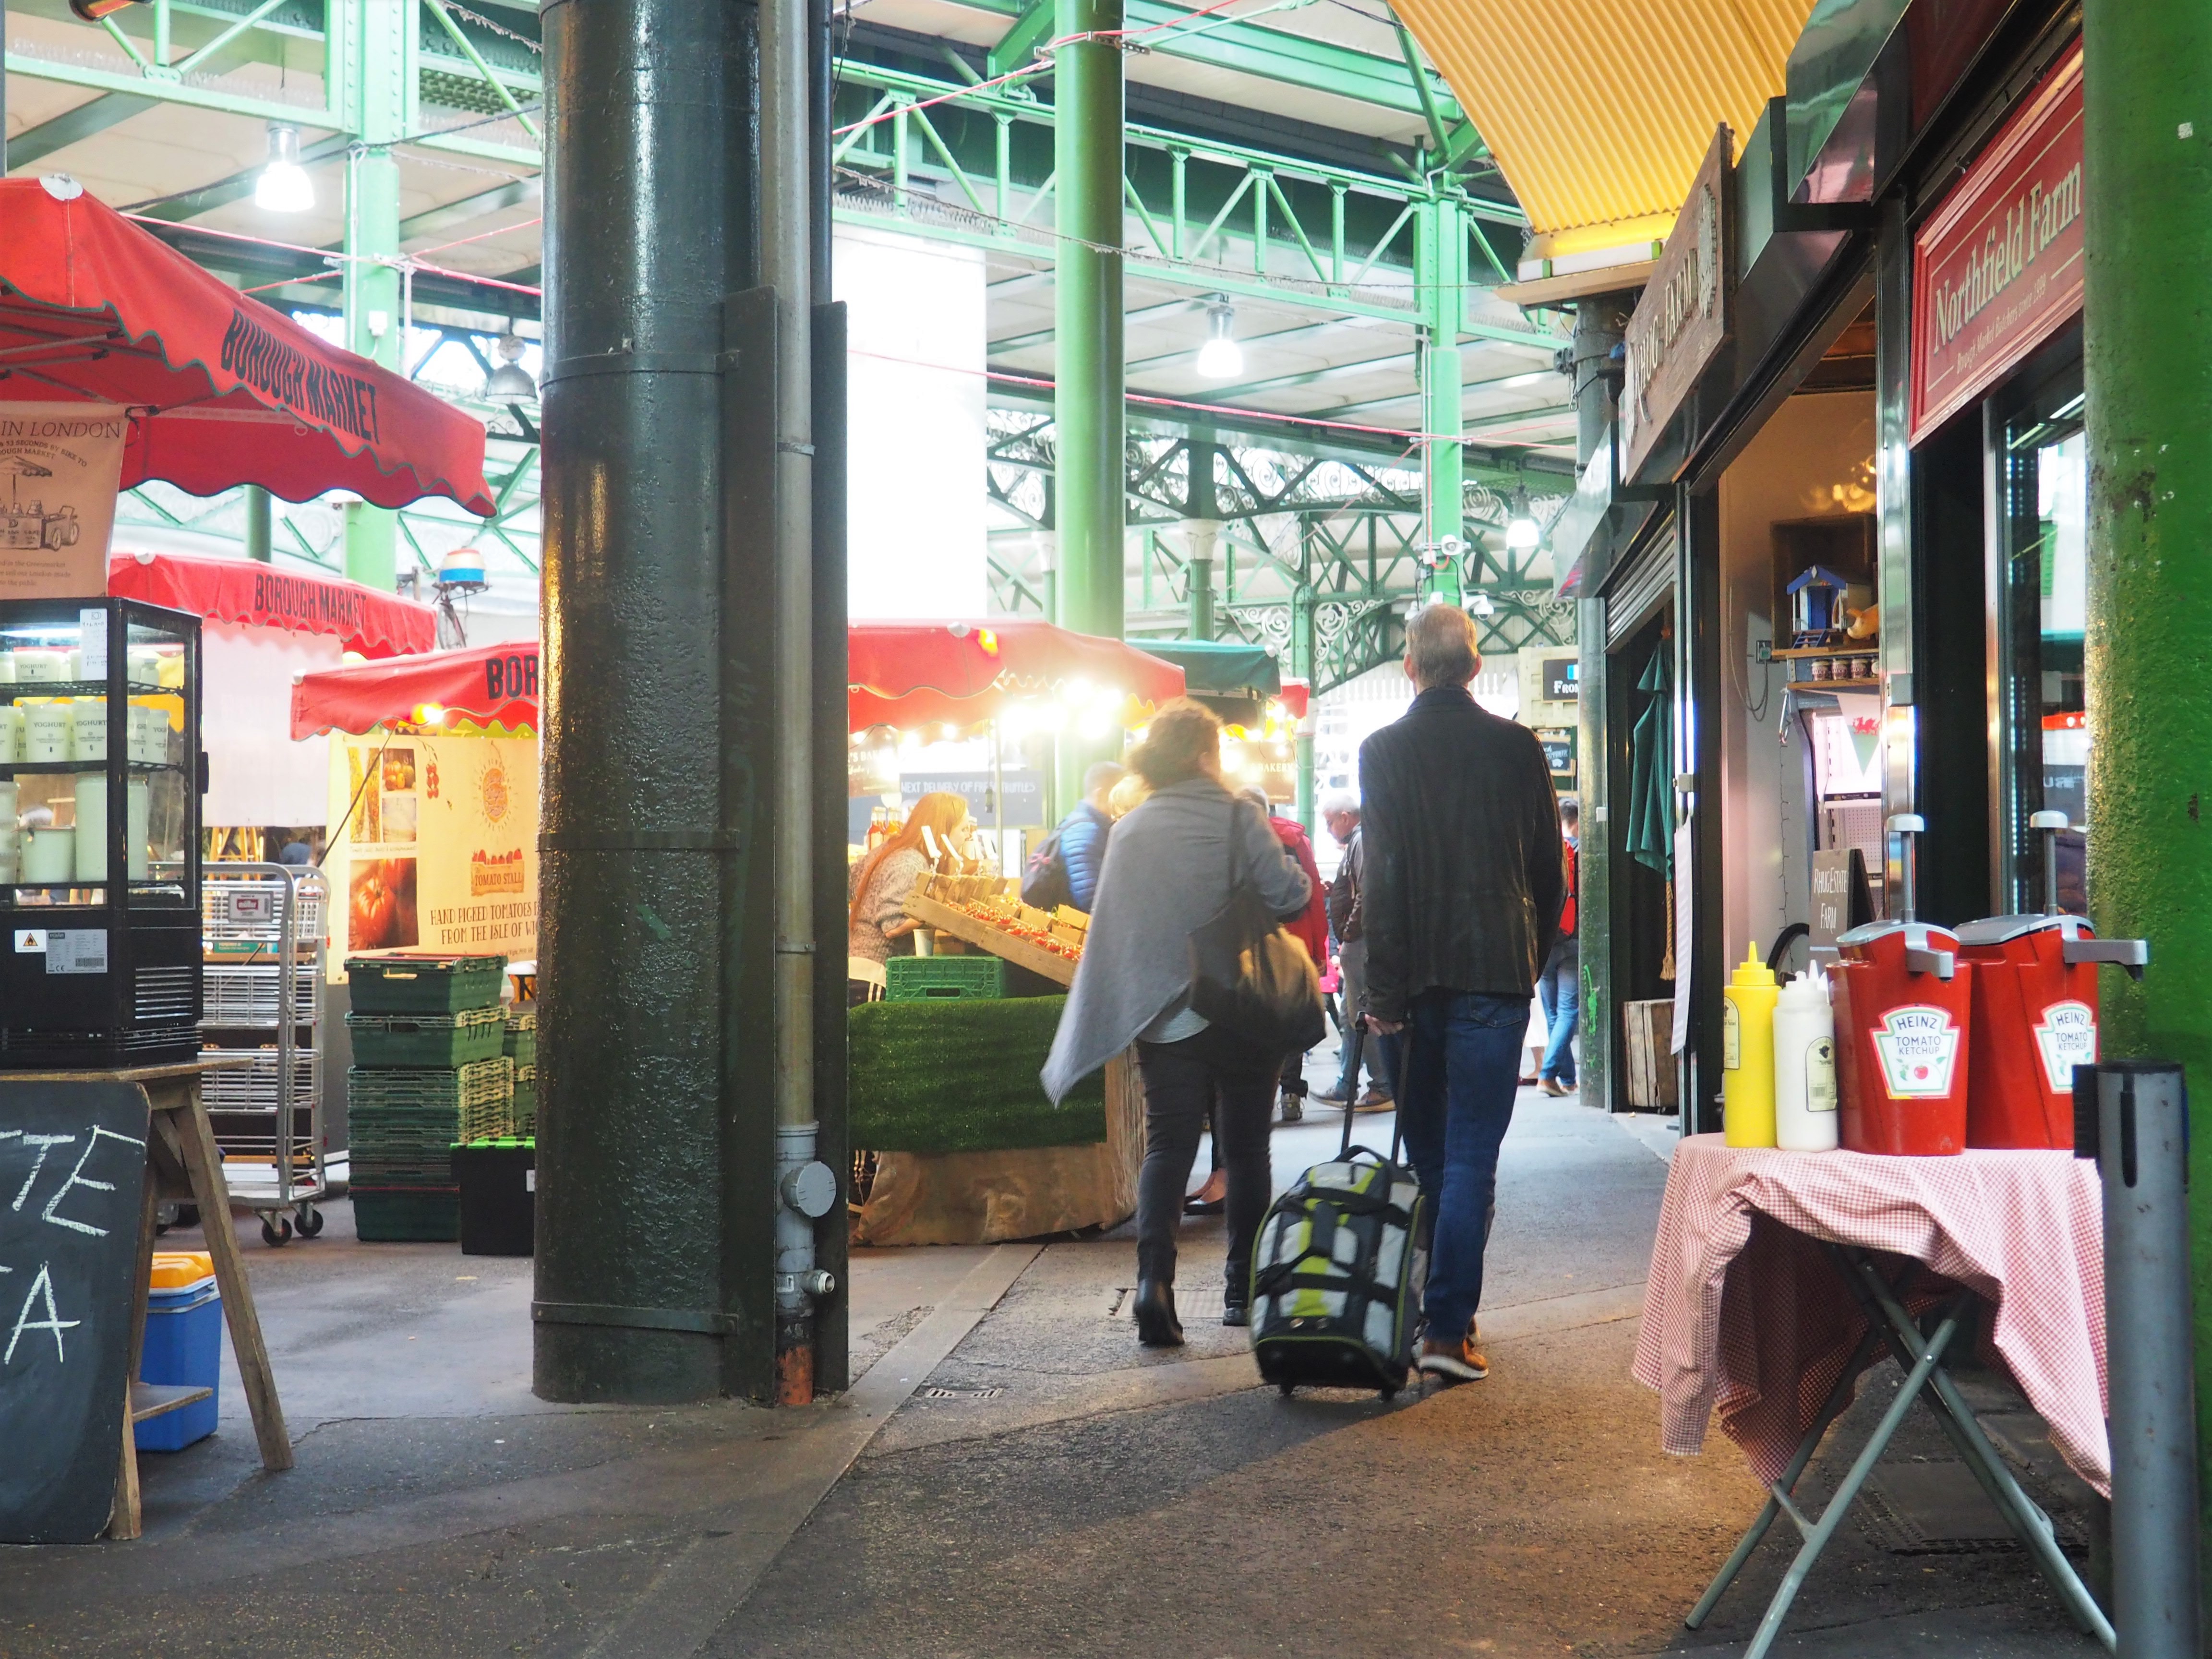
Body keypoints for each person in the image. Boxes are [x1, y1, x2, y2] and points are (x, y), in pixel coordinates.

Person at [1042, 699, 1311, 1348]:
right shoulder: (1239, 816)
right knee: (1246, 1150)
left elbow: (1119, 930)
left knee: (1168, 1147)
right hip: (1243, 1010)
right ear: (1201, 755)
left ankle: (1152, 1286)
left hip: (1166, 1015)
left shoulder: (1130, 828)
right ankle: (1242, 1292)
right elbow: (1291, 895)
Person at [1361, 604, 1563, 1385]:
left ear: (1409, 668)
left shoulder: (1382, 751)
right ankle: (1447, 1329)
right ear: (1475, 667)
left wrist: (1381, 991)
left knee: (1431, 1156)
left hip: (1409, 983)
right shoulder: (1517, 748)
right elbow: (1548, 872)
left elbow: (1380, 880)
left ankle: (1439, 1314)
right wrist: (1525, 960)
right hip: (1493, 975)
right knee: (1473, 1154)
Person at [1311, 790, 1390, 1111]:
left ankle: (1382, 1085)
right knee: (1349, 1017)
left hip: (1360, 942)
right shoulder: (1361, 839)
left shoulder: (1361, 840)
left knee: (1360, 1015)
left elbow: (1366, 892)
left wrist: (1348, 932)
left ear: (1346, 818)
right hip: (1358, 941)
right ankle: (1348, 1083)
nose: (1329, 830)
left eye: (1330, 823)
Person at [848, 792, 975, 967]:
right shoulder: (910, 862)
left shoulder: (895, 851)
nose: (968, 836)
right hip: (874, 971)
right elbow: (893, 925)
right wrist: (939, 912)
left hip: (862, 966)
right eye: (964, 829)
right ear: (943, 830)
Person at [1030, 761, 1122, 912]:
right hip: (1074, 928)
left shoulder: (1086, 824)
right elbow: (1090, 897)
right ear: (1100, 794)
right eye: (1119, 796)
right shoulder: (1085, 831)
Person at [1536, 800, 1580, 1096]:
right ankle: (1547, 1074)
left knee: (1554, 1014)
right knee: (1568, 1011)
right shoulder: (1580, 850)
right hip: (1572, 939)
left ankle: (1566, 1078)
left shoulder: (1545, 850)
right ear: (1577, 821)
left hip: (1545, 940)